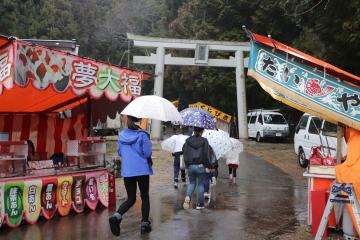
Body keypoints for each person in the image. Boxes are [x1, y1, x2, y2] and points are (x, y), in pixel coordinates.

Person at [109, 116, 153, 236]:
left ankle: (116, 217)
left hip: (128, 171)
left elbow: (119, 152)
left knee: (131, 198)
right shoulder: (143, 135)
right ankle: (144, 224)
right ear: (139, 122)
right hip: (142, 170)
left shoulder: (122, 135)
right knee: (144, 197)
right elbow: (148, 153)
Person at [182, 127, 212, 210]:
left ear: (194, 131)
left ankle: (188, 196)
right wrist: (209, 166)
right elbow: (206, 155)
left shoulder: (187, 140)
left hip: (191, 165)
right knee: (201, 184)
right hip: (200, 166)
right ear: (202, 131)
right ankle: (200, 204)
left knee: (192, 183)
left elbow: (184, 152)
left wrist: (187, 165)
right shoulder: (204, 141)